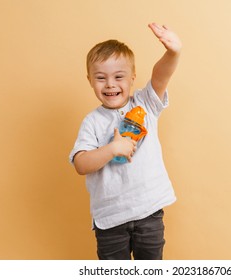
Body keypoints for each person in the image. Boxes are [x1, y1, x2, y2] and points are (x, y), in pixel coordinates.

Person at [69, 23, 182, 260]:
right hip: (110, 220)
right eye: (101, 78)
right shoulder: (92, 121)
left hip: (148, 212)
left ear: (132, 78)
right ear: (90, 80)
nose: (110, 84)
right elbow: (81, 164)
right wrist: (111, 149)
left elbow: (161, 75)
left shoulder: (145, 104)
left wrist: (173, 52)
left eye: (118, 77)